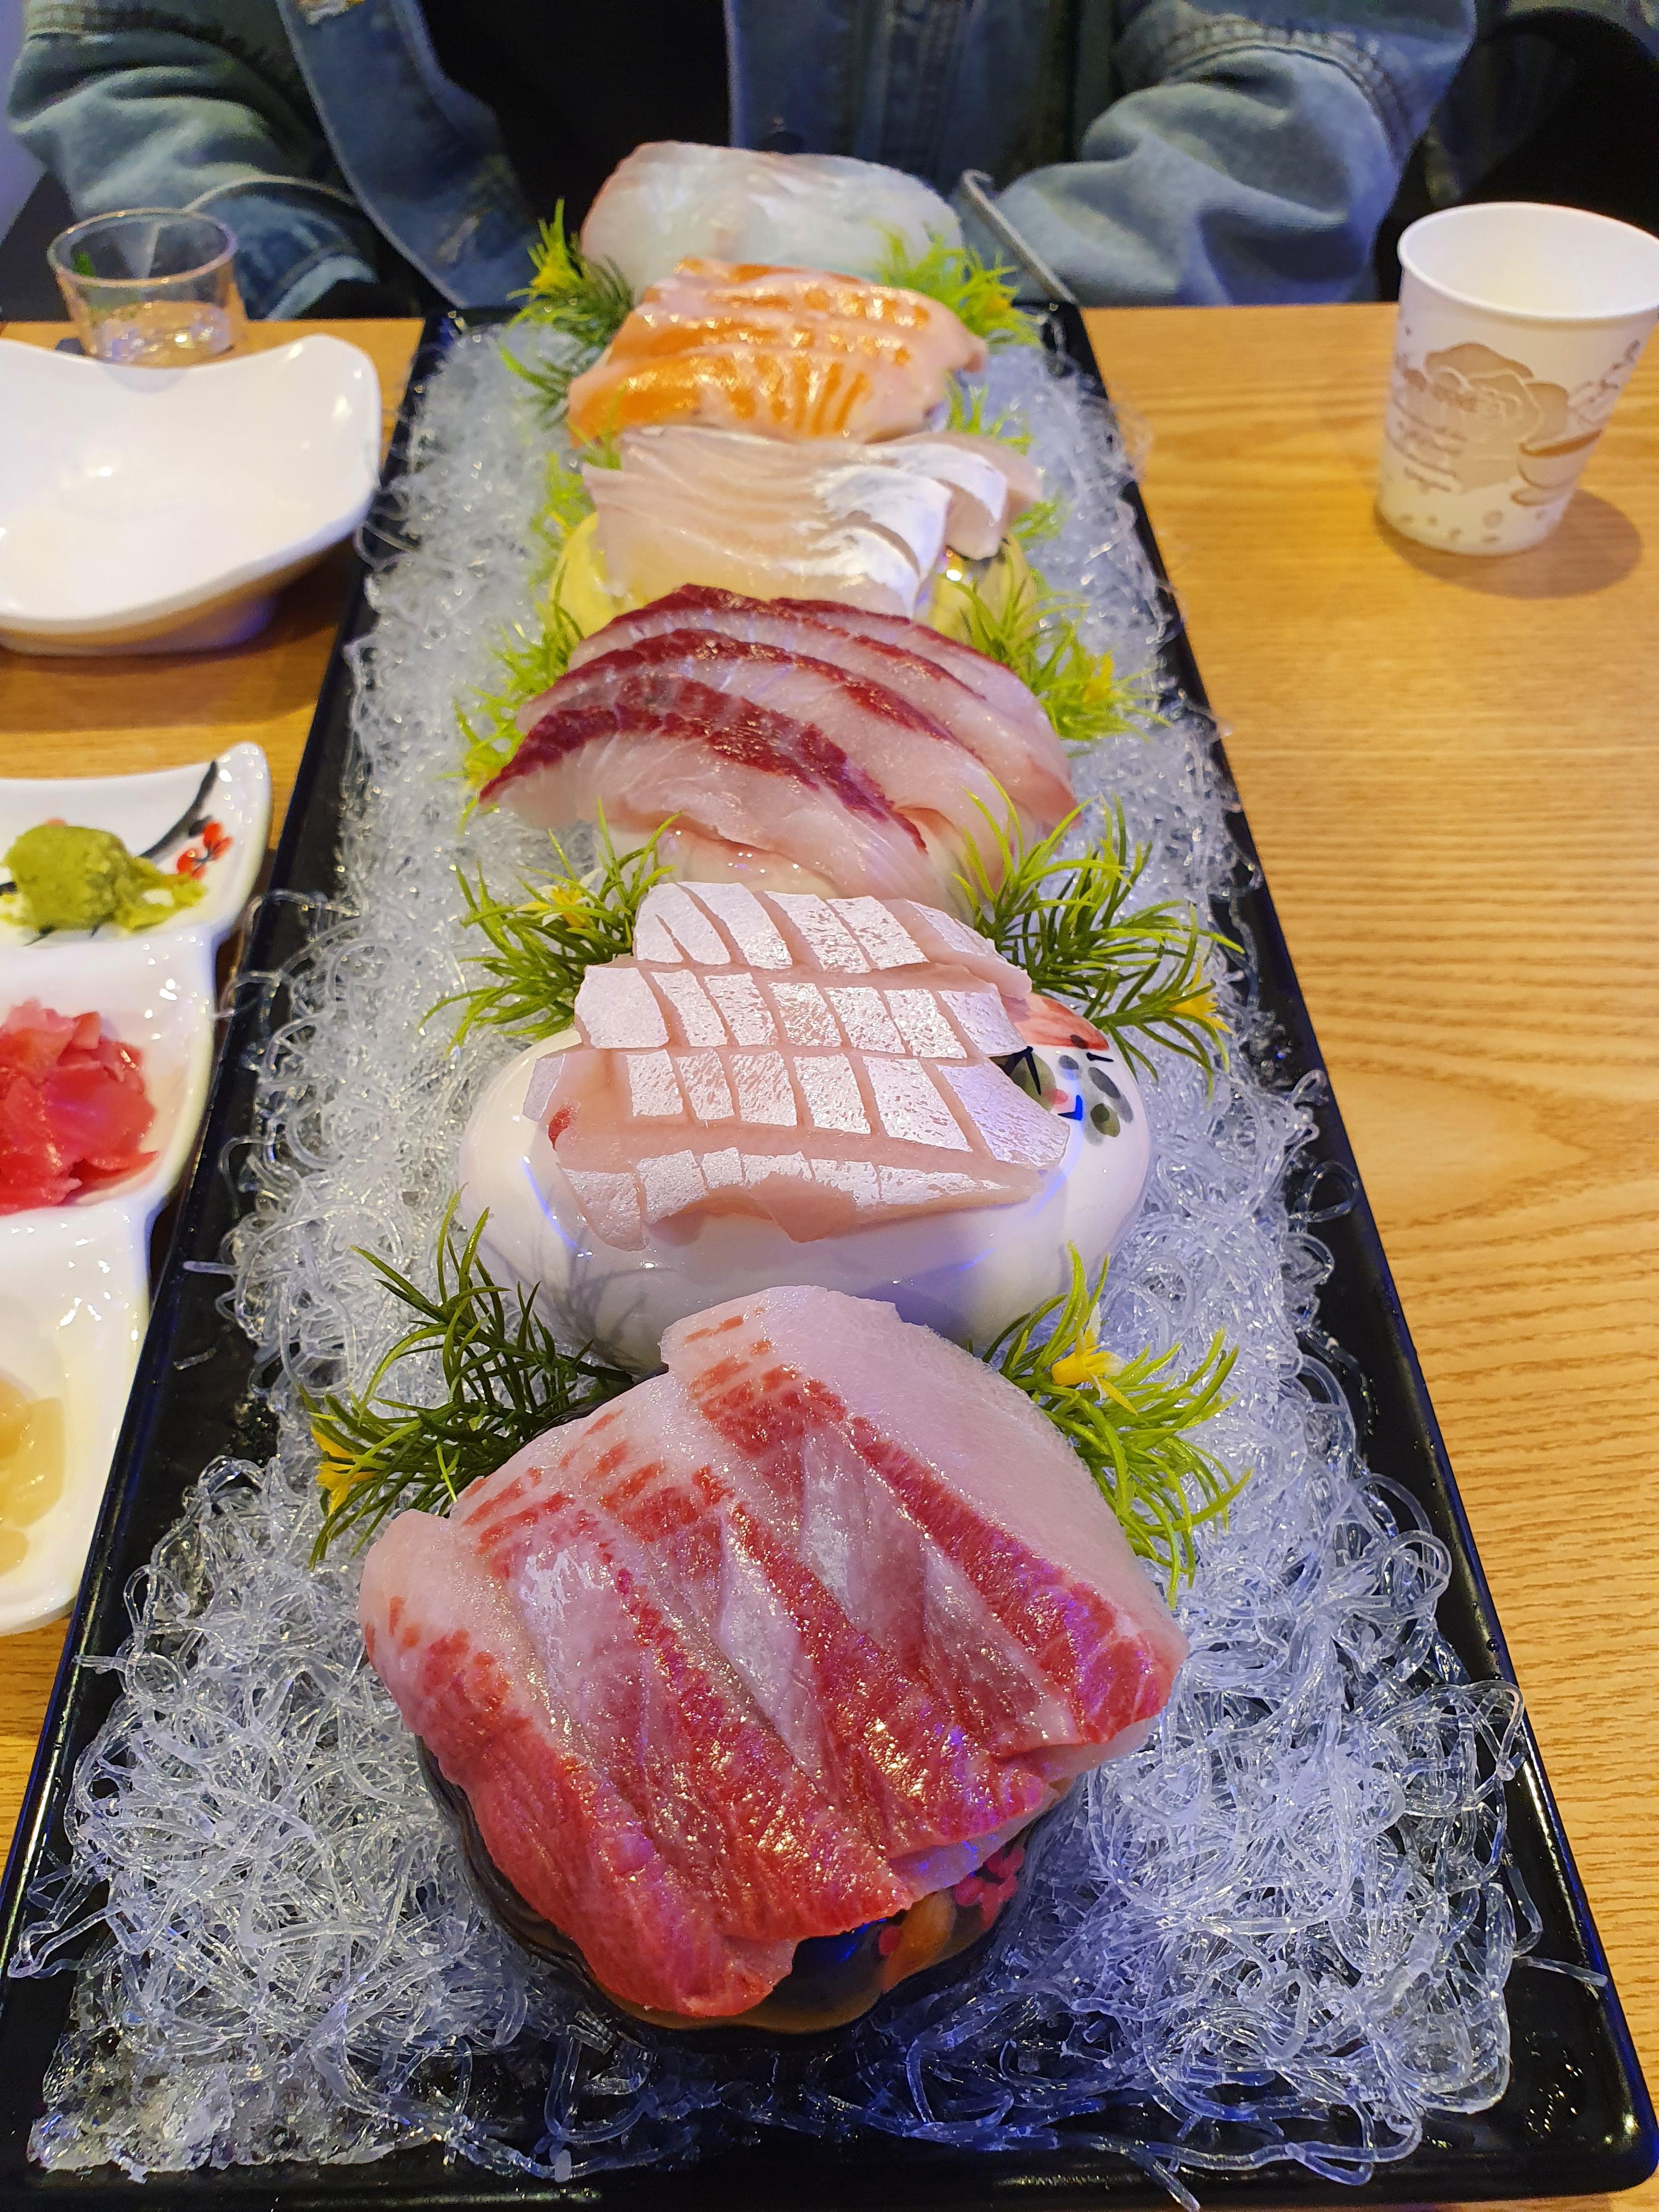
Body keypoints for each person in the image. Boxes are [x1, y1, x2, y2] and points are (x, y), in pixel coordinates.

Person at [0, 0, 1537, 320]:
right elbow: (129, 50)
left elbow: (1299, 77)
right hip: (418, 378)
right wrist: (336, 343)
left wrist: (945, 306)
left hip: (1018, 378)